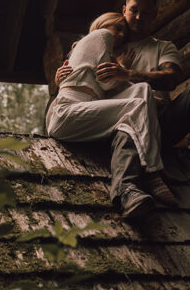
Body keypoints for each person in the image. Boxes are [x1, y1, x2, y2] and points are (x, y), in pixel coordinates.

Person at [55, 0, 190, 215]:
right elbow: (84, 77)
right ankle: (129, 189)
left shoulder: (162, 47)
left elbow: (171, 79)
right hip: (116, 119)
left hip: (162, 118)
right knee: (129, 121)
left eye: (146, 12)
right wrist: (62, 79)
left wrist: (128, 74)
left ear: (154, 15)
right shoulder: (108, 43)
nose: (139, 16)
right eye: (134, 10)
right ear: (124, 9)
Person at [46, 13, 167, 218]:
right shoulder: (100, 36)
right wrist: (122, 68)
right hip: (66, 112)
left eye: (123, 31)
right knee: (136, 106)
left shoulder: (96, 50)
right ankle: (154, 171)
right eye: (117, 27)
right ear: (102, 24)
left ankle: (149, 164)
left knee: (142, 90)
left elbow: (111, 90)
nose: (120, 34)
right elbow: (105, 82)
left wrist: (120, 71)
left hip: (80, 110)